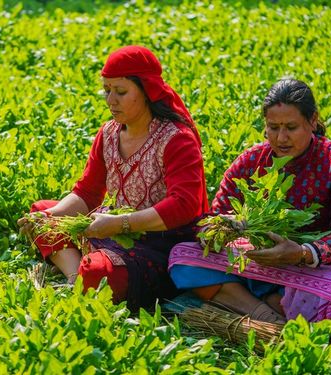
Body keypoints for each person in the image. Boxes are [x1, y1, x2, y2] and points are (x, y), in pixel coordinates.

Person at [18, 45, 208, 311]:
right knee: (43, 212)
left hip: (160, 244)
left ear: (147, 92)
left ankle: (89, 275)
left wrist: (120, 224)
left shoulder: (176, 140)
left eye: (120, 92)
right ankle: (76, 279)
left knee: (99, 273)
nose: (111, 100)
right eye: (107, 90)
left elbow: (183, 205)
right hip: (111, 228)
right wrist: (52, 217)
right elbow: (87, 192)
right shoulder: (108, 134)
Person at [169, 78, 331, 323]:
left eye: (291, 127)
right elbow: (213, 217)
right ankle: (265, 313)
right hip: (257, 260)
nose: (281, 137)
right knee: (182, 258)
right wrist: (226, 227)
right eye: (273, 127)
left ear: (313, 120)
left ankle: (257, 302)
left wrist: (302, 253)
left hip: (315, 267)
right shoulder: (252, 161)